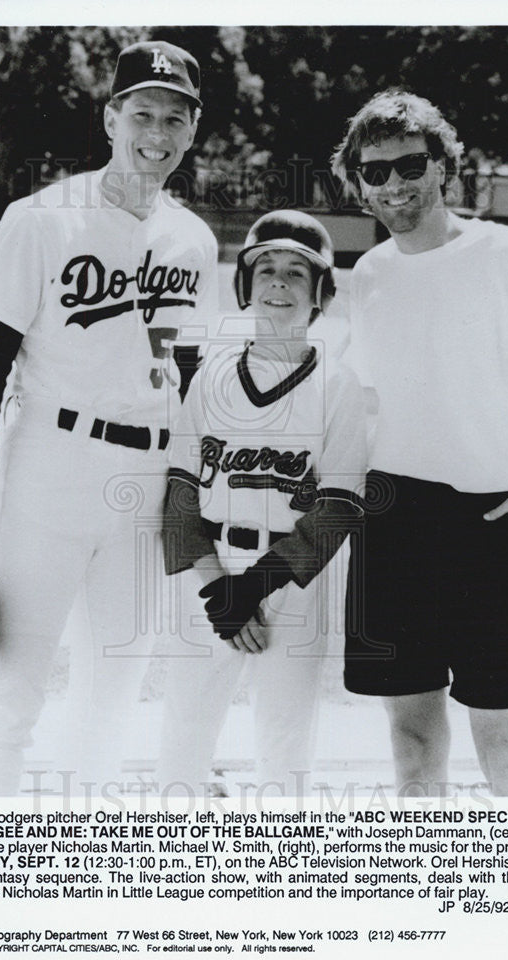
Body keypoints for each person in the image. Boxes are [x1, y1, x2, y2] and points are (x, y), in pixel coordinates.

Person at [0, 40, 219, 795]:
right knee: (13, 689)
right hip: (54, 468)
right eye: (142, 113)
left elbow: (188, 380)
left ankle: (83, 878)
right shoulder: (39, 220)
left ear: (192, 131)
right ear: (111, 116)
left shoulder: (192, 238)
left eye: (174, 120)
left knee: (114, 693)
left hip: (150, 482)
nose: (156, 133)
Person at [331, 89, 508, 797]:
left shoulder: (507, 253)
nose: (394, 184)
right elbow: (361, 402)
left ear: (444, 165)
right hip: (392, 524)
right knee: (412, 744)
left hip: (492, 523)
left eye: (409, 163)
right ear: (358, 183)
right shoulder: (369, 275)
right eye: (374, 171)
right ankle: (432, 895)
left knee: (506, 743)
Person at [156, 210, 367, 796]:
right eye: (265, 268)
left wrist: (250, 590)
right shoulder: (210, 372)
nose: (278, 282)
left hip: (293, 582)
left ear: (321, 292)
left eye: (297, 272)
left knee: (286, 742)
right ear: (245, 285)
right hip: (211, 570)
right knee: (184, 733)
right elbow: (178, 492)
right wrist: (218, 588)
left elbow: (338, 508)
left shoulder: (339, 385)